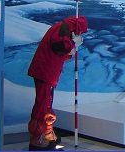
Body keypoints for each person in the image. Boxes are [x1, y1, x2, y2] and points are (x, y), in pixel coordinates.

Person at [28, 15, 88, 151]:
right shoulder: (62, 28)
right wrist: (72, 43)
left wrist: (70, 51)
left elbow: (59, 51)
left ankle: (46, 132)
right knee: (42, 105)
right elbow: (59, 46)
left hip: (48, 72)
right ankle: (38, 136)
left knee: (46, 104)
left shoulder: (63, 28)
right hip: (45, 72)